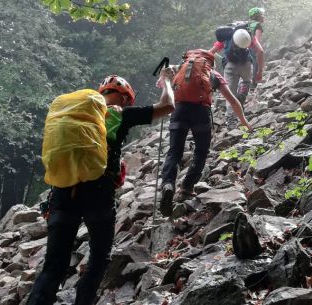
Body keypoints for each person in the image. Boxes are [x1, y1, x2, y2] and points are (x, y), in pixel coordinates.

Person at [27, 70, 175, 305]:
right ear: (125, 98)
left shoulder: (77, 117)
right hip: (98, 193)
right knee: (98, 257)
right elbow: (168, 106)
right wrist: (167, 80)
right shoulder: (122, 114)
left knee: (54, 266)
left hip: (63, 192)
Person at [158, 50, 253, 216]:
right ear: (210, 61)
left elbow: (163, 85)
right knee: (201, 151)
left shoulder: (178, 69)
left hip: (179, 110)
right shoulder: (212, 73)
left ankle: (168, 184)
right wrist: (244, 121)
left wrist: (164, 77)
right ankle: (186, 188)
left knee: (174, 152)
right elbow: (232, 99)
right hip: (201, 113)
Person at [209, 10, 265, 122]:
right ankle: (240, 100)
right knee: (246, 82)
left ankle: (231, 119)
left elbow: (211, 52)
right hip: (246, 63)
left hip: (230, 65)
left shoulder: (226, 36)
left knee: (230, 92)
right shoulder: (249, 35)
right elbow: (260, 51)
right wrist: (259, 72)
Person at [248, 7, 266, 88]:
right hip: (253, 47)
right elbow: (257, 40)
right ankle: (254, 82)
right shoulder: (258, 25)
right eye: (262, 15)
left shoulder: (248, 24)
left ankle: (248, 83)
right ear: (258, 16)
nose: (263, 16)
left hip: (245, 46)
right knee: (256, 63)